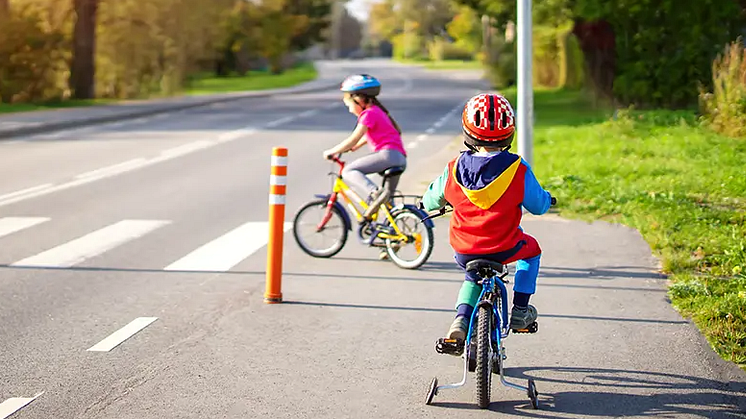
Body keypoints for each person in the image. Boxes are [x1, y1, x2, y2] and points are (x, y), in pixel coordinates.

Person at [419, 92, 553, 342]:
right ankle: (521, 311)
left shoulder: (454, 168)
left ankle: (460, 319)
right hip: (505, 247)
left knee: (472, 278)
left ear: (468, 132)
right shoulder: (518, 169)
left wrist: (426, 202)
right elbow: (538, 205)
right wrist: (547, 199)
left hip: (465, 250)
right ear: (509, 131)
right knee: (532, 252)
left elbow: (431, 200)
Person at [322, 74, 407, 220]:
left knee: (349, 170)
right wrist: (355, 147)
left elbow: (354, 138)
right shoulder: (378, 112)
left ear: (359, 100)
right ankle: (394, 234)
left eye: (349, 105)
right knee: (388, 205)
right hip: (399, 158)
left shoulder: (368, 114)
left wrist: (333, 151)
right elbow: (375, 135)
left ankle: (375, 193)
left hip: (387, 155)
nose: (350, 110)